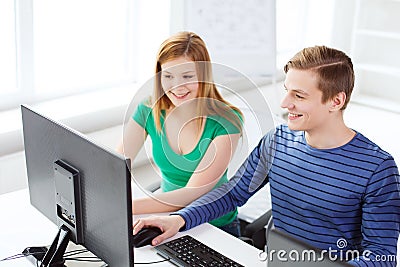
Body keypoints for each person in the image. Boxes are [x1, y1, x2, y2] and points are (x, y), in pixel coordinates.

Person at [132, 45, 400, 266]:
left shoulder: (377, 168)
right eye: (286, 91)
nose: (285, 104)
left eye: (299, 95)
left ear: (336, 101)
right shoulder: (277, 141)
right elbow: (233, 193)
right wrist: (178, 219)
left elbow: (382, 256)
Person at [117, 31, 244, 236]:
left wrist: (123, 207)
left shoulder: (227, 121)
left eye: (187, 76)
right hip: (166, 219)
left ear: (203, 75)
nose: (177, 86)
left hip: (214, 226)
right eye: (168, 76)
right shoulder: (149, 109)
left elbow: (190, 195)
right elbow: (116, 163)